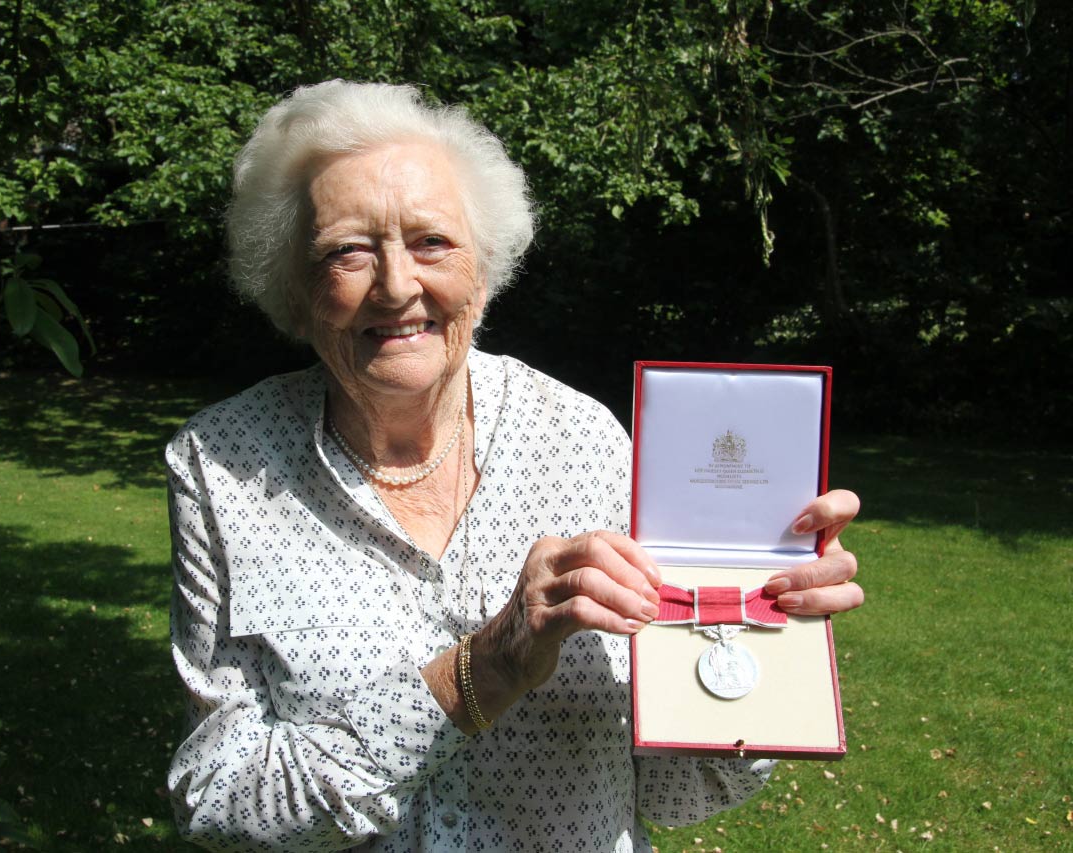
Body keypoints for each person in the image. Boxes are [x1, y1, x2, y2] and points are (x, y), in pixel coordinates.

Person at [166, 80, 864, 852]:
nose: (398, 285)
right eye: (348, 251)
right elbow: (222, 806)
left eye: (432, 242)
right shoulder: (221, 466)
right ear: (295, 291)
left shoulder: (585, 443)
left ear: (486, 273)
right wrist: (483, 669)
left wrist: (760, 636)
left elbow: (675, 787)